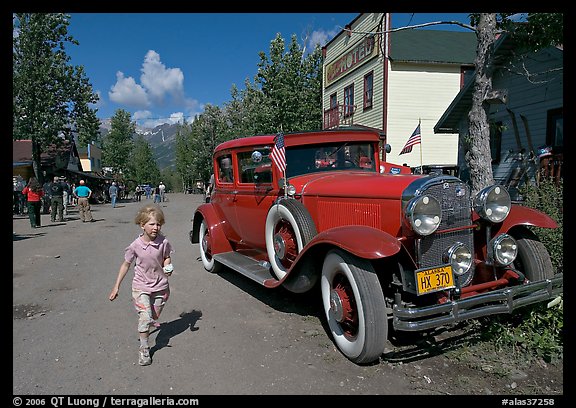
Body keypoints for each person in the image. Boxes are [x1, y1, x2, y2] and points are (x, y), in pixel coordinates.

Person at [108, 204, 174, 366]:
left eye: (158, 224)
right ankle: (144, 349)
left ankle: (149, 322)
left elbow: (166, 257)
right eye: (152, 224)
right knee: (145, 317)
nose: (156, 227)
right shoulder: (135, 246)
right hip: (141, 287)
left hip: (161, 287)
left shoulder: (163, 242)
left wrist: (168, 265)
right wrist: (116, 286)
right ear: (142, 225)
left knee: (153, 316)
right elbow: (126, 265)